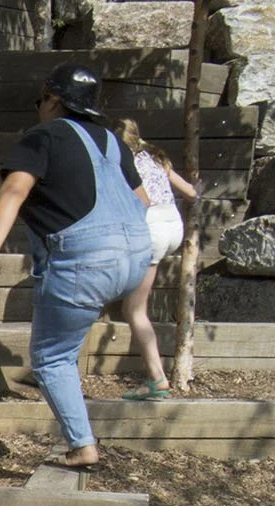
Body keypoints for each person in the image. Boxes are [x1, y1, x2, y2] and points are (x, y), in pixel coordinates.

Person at [0, 62, 154, 471]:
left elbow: (14, 190)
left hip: (86, 263)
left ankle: (82, 445)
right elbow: (142, 200)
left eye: (41, 99)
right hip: (135, 257)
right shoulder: (112, 141)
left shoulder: (44, 135)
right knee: (66, 339)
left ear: (53, 99)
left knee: (52, 358)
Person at [115, 117, 201, 401]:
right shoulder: (156, 157)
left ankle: (157, 379)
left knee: (134, 310)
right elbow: (190, 192)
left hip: (151, 230)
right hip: (173, 227)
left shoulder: (122, 163)